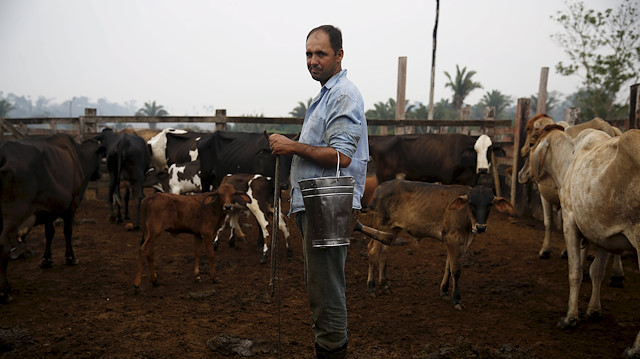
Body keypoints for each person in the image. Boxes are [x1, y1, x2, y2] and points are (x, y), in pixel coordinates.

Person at [269, 24, 368, 359]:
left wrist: (292, 146)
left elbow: (341, 155)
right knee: (320, 288)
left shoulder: (343, 95)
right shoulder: (326, 94)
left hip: (327, 203)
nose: (313, 60)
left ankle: (331, 350)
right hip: (316, 203)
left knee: (326, 290)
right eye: (309, 54)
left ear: (339, 55)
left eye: (321, 53)